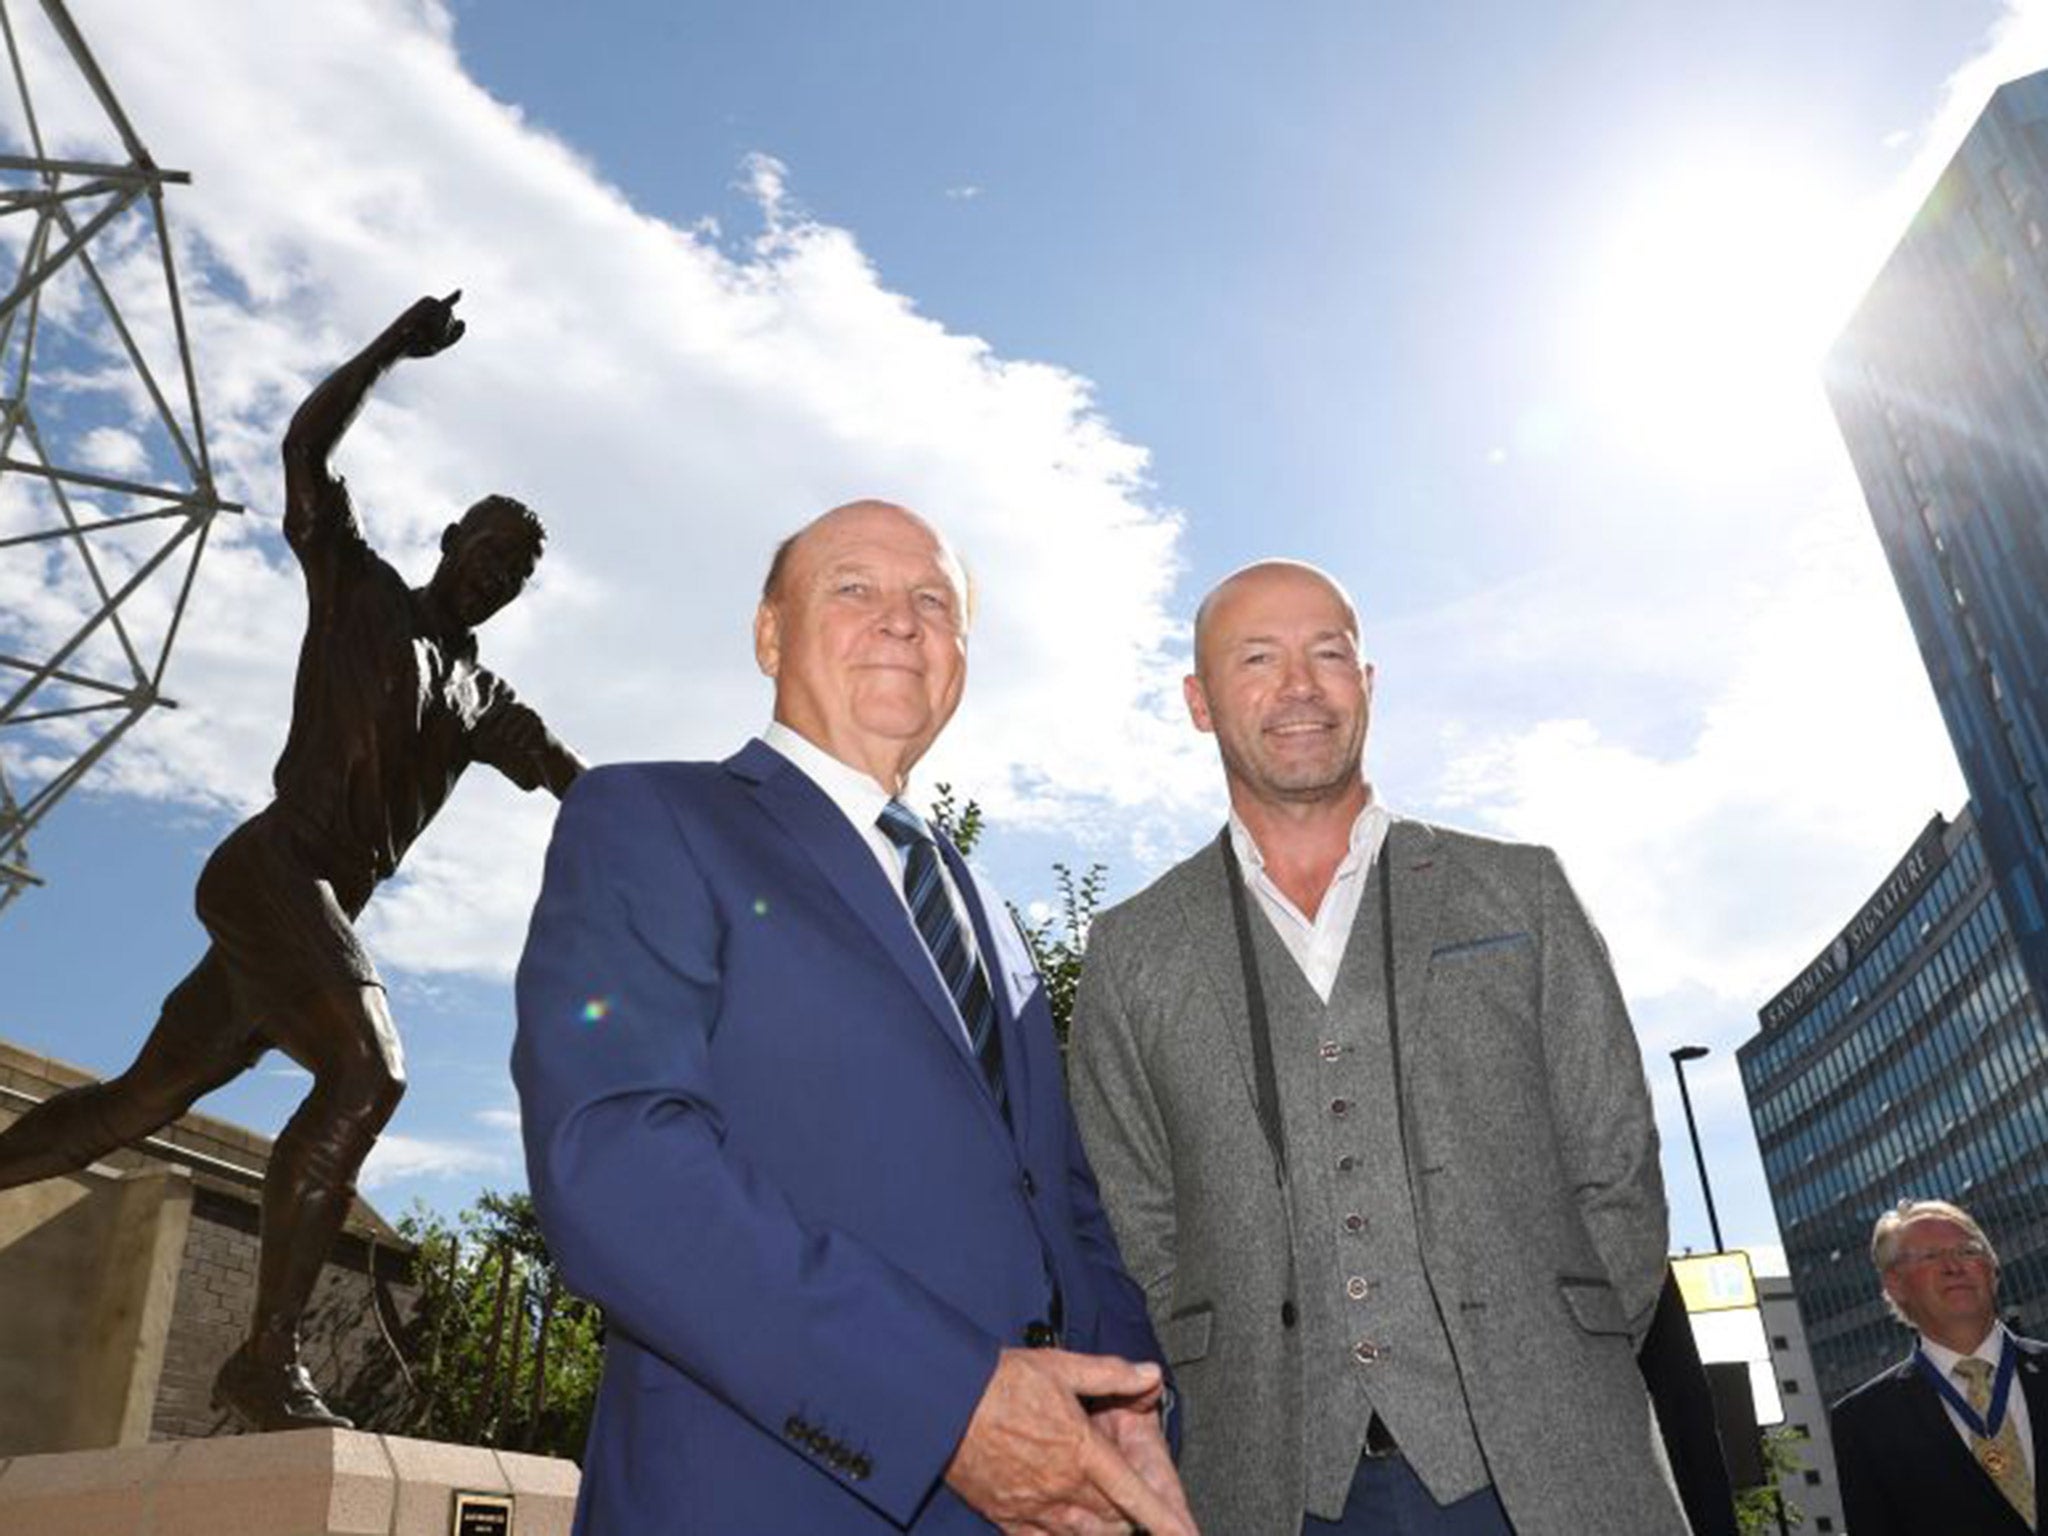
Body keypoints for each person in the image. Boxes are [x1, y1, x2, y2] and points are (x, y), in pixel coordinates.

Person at [512, 499, 1196, 1536]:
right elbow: (615, 1163)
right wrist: (944, 1405)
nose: (901, 619)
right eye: (853, 589)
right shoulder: (646, 819)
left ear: (961, 658)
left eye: (933, 600)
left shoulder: (988, 918)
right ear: (768, 634)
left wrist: (1126, 1407)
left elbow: (1060, 1202)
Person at [0, 291, 583, 1431]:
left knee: (137, 1103)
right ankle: (265, 1358)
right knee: (369, 1077)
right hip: (274, 870)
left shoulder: (482, 699)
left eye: (516, 572)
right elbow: (303, 447)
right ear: (449, 544)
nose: (498, 575)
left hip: (310, 910)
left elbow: (578, 782)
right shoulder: (357, 588)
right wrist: (390, 349)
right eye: (490, 551)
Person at [1067, 559, 1690, 1536]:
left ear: (1368, 681)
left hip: (1549, 1471)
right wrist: (1223, 1366)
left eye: (1328, 654)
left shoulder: (1518, 892)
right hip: (1272, 1487)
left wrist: (1551, 1358)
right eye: (1257, 659)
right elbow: (1133, 1215)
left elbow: (1613, 1166)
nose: (1300, 686)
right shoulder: (1130, 951)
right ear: (1198, 702)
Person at [1831, 1198, 2044, 1535]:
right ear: (1895, 1285)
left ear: (1992, 1268)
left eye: (1968, 1251)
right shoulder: (1862, 1423)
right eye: (1930, 1256)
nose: (1953, 1266)